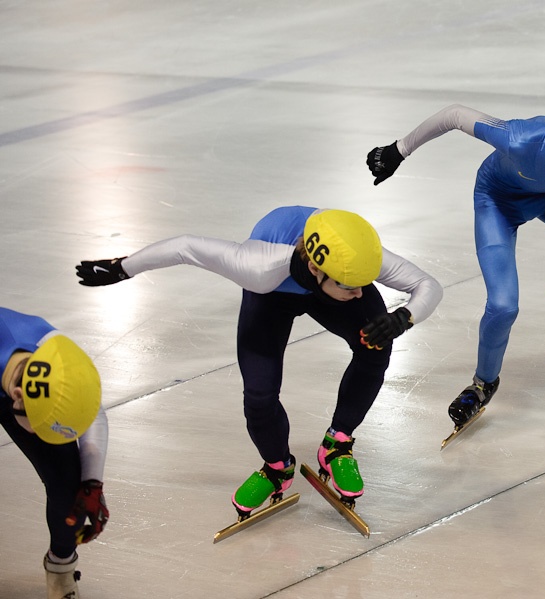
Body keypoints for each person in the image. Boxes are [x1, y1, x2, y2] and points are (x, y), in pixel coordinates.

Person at [76, 207, 442, 512]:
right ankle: (277, 467)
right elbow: (186, 247)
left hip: (325, 272)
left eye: (365, 281)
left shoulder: (356, 258)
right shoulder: (257, 265)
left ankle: (337, 443)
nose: (362, 292)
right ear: (316, 269)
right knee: (259, 394)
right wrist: (123, 267)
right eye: (352, 286)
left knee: (375, 347)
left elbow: (428, 285)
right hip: (272, 294)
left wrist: (402, 318)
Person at [366, 96, 545, 428]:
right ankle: (483, 384)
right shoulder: (522, 138)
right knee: (504, 305)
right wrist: (399, 149)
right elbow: (455, 114)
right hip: (499, 201)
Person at [0, 307, 108, 599]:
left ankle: (60, 570)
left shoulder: (60, 355)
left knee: (70, 489)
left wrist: (92, 483)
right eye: (42, 426)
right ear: (19, 396)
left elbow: (92, 410)